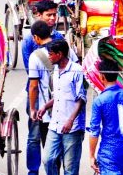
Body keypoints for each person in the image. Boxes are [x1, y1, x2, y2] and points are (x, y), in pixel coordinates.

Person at [88, 58, 123, 175]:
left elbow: (94, 131)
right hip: (122, 151)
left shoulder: (99, 100)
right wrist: (122, 130)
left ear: (102, 76)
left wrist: (91, 156)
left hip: (107, 152)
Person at [39, 39, 85, 175]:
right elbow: (59, 96)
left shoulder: (76, 70)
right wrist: (44, 107)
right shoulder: (55, 72)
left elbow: (81, 99)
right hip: (55, 125)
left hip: (72, 127)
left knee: (70, 168)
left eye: (51, 54)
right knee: (48, 159)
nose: (49, 57)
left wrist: (70, 120)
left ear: (60, 54)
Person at [26, 21, 54, 175]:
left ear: (36, 37)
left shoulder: (35, 56)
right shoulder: (65, 48)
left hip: (45, 109)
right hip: (66, 108)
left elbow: (33, 86)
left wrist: (32, 109)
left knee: (42, 142)